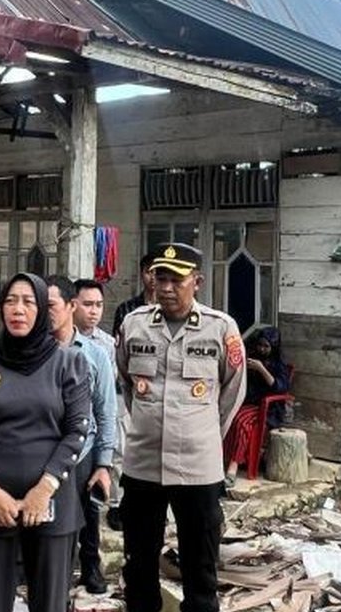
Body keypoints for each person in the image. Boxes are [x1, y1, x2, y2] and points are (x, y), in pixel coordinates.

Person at [117, 243, 246, 612]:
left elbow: (233, 391)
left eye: (177, 280)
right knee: (138, 560)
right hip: (143, 463)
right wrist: (149, 423)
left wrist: (201, 431)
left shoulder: (221, 328)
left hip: (197, 466)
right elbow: (127, 383)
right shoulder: (134, 324)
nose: (167, 287)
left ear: (197, 282)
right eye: (161, 278)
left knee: (200, 562)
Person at [0, 273, 92, 612]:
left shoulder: (68, 362)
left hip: (51, 505)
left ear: (42, 309)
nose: (18, 309)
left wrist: (43, 490)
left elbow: (77, 431)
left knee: (50, 603)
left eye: (29, 302)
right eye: (10, 301)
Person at [45, 275, 117, 594]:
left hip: (83, 452)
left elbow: (106, 411)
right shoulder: (34, 351)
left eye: (50, 305)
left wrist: (103, 463)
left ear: (69, 306)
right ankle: (49, 578)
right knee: (48, 519)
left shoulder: (95, 354)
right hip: (44, 450)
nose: (45, 312)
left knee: (87, 515)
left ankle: (89, 568)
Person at [74, 278, 125, 530]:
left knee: (92, 501)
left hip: (95, 426)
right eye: (88, 304)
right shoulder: (55, 340)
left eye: (99, 305)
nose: (94, 311)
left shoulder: (106, 344)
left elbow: (107, 396)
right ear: (72, 304)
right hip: (69, 434)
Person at [222, 326, 292, 486]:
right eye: (260, 345)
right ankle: (223, 459)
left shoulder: (278, 365)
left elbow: (279, 388)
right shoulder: (253, 357)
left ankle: (233, 467)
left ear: (273, 347)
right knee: (229, 416)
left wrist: (261, 369)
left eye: (266, 346)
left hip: (267, 409)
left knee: (242, 422)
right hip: (249, 403)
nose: (262, 349)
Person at [112, 253, 156, 338]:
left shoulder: (168, 310)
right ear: (141, 274)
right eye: (149, 272)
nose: (153, 277)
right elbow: (118, 340)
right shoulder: (125, 309)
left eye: (157, 273)